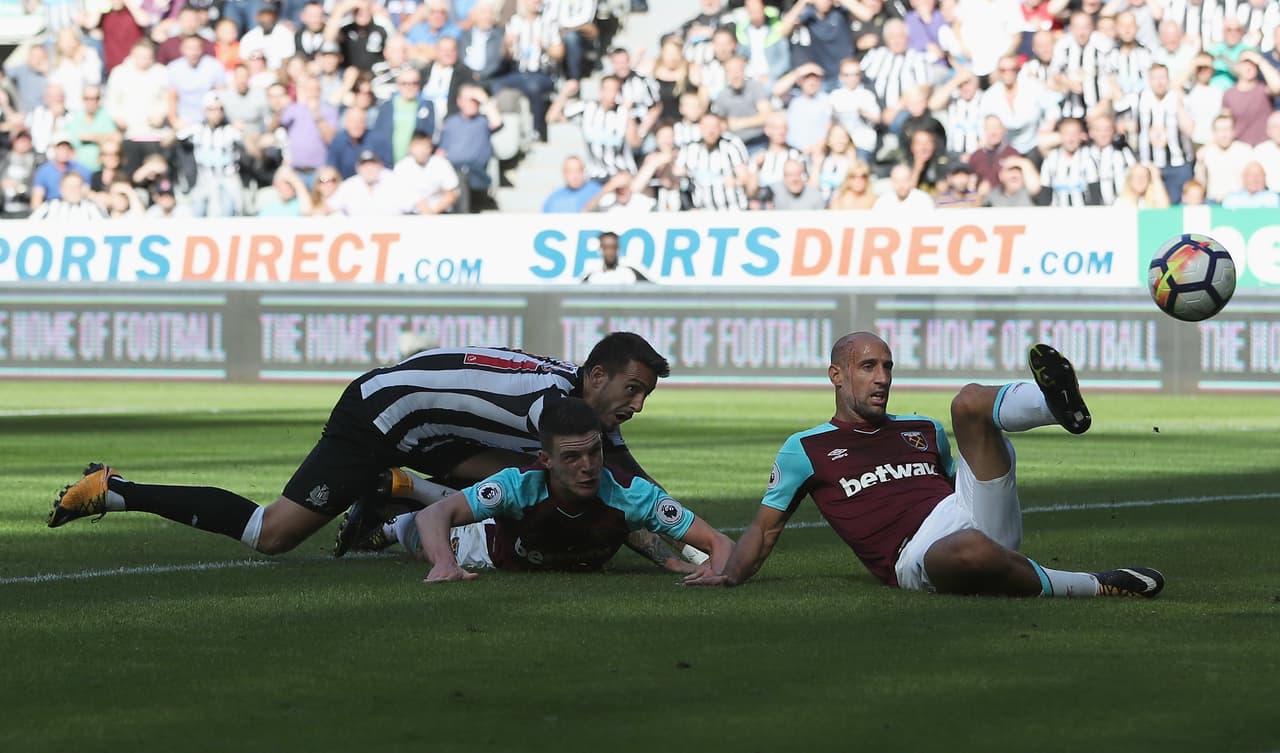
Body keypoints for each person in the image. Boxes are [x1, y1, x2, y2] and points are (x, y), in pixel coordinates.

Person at [50, 333, 681, 566]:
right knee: (271, 535)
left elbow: (633, 482)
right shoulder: (555, 407)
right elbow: (609, 490)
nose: (636, 405)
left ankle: (391, 495)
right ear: (596, 376)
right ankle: (117, 489)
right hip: (380, 416)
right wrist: (687, 555)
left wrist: (679, 542)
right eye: (632, 388)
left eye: (644, 395)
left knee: (525, 489)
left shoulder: (573, 397)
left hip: (433, 429)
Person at [685, 332, 1166, 599]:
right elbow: (765, 531)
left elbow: (957, 484)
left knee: (968, 403)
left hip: (964, 508)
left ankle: (1054, 407)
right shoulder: (805, 448)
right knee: (969, 550)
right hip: (916, 557)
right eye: (868, 366)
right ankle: (1097, 585)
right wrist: (733, 573)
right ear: (837, 375)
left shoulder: (922, 428)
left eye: (888, 366)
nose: (882, 378)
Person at [409, 397, 733, 581]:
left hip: (564, 546)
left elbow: (720, 543)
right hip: (484, 548)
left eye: (594, 452)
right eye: (572, 457)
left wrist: (718, 571)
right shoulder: (518, 485)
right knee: (421, 540)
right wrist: (445, 563)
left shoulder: (633, 494)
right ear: (546, 460)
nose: (587, 465)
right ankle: (394, 510)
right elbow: (434, 515)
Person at [580, 231, 652, 284]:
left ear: (618, 249)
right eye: (606, 248)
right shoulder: (592, 274)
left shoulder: (630, 272)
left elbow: (651, 289)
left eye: (613, 247)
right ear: (600, 249)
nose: (610, 252)